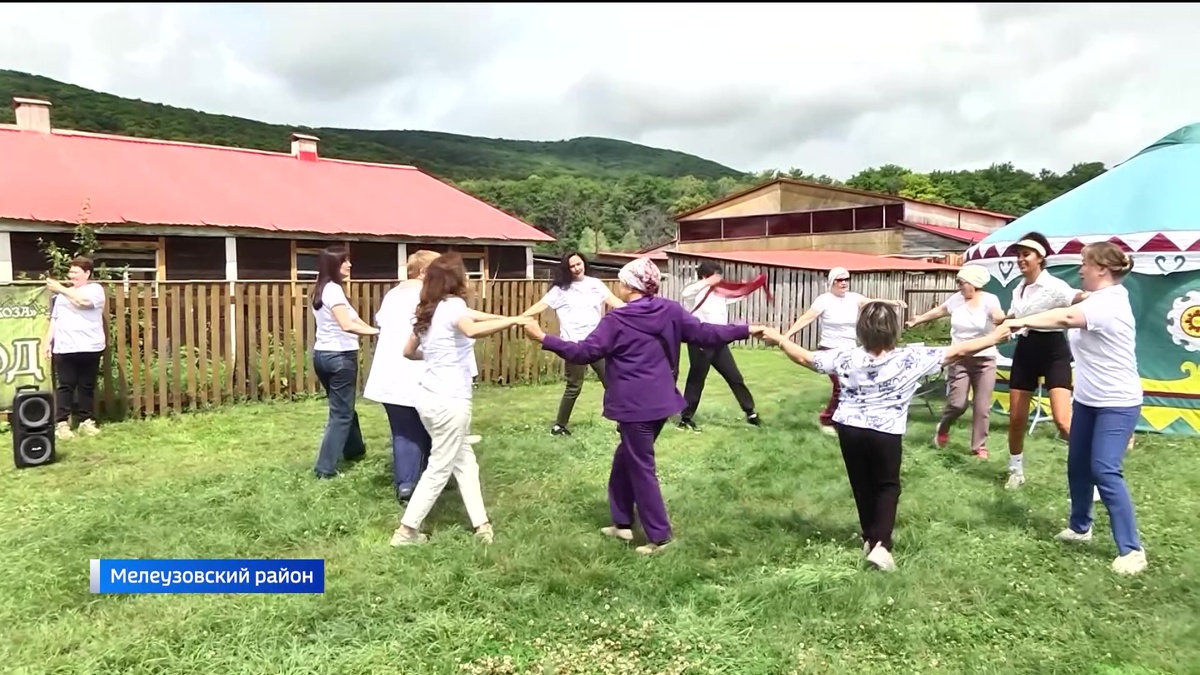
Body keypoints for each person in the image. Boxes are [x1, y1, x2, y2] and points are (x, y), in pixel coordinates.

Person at [523, 257, 767, 554]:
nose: (620, 286)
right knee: (624, 461)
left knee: (641, 468)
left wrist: (543, 338)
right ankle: (622, 523)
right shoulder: (670, 311)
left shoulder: (617, 320)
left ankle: (660, 537)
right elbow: (706, 332)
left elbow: (584, 352)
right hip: (662, 402)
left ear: (630, 285)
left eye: (623, 281)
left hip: (634, 407)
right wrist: (747, 329)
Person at [761, 303, 1011, 571]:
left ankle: (870, 537)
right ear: (892, 330)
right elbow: (960, 350)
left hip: (849, 428)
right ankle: (882, 545)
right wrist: (994, 337)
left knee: (862, 484)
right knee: (887, 486)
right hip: (885, 431)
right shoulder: (911, 358)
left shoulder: (845, 357)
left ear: (861, 330)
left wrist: (779, 339)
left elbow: (806, 358)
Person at [1003, 242, 1147, 575]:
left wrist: (1017, 321)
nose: (1079, 269)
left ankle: (1132, 550)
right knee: (1078, 465)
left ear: (1102, 269)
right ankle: (1080, 527)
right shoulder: (1096, 299)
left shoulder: (1110, 303)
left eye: (1084, 263)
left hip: (1117, 402)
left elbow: (1066, 316)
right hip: (1088, 399)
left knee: (1105, 470)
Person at [390, 254, 532, 546]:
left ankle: (482, 526)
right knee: (440, 467)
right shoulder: (453, 307)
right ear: (455, 279)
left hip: (428, 399)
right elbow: (472, 328)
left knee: (465, 462)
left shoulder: (430, 309)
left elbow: (408, 351)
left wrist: (511, 318)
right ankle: (406, 532)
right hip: (450, 402)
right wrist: (514, 322)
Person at [364, 250, 504, 502]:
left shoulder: (392, 296)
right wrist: (510, 319)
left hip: (391, 373)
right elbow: (465, 322)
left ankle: (407, 484)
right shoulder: (435, 298)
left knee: (404, 431)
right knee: (437, 431)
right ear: (423, 272)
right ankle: (435, 480)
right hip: (427, 375)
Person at [1001, 231, 1087, 490]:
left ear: (1041, 258)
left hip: (1053, 351)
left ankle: (1091, 474)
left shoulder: (1055, 286)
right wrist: (1001, 320)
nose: (1020, 259)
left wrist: (1102, 295)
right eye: (1018, 255)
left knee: (1063, 420)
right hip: (1026, 350)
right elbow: (1015, 316)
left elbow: (1078, 298)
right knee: (1016, 418)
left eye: (1026, 254)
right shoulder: (1019, 288)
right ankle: (1015, 470)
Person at [784, 267, 906, 435]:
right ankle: (827, 420)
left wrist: (891, 303)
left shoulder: (854, 298)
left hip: (850, 351)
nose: (844, 283)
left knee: (854, 385)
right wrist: (787, 336)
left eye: (846, 279)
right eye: (839, 280)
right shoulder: (824, 300)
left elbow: (871, 302)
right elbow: (807, 317)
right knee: (840, 386)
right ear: (832, 282)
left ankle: (846, 418)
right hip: (830, 349)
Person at [905, 264, 1005, 458]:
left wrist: (1001, 317)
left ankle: (979, 446)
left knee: (982, 406)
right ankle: (943, 427)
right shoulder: (956, 300)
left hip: (985, 359)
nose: (958, 286)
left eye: (961, 282)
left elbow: (996, 314)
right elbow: (940, 311)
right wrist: (918, 320)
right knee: (958, 404)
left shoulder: (989, 300)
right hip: (959, 358)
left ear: (974, 284)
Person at [522, 252, 625, 435]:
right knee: (574, 386)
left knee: (612, 382)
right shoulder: (560, 290)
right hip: (573, 345)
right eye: (572, 266)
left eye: (579, 264)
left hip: (596, 342)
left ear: (584, 264)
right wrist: (520, 318)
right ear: (567, 269)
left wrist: (639, 311)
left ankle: (623, 421)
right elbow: (540, 306)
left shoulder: (595, 285)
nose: (577, 268)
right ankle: (559, 426)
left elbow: (615, 302)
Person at [310, 246, 379, 479]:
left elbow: (355, 318)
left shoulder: (321, 289)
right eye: (344, 262)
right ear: (333, 266)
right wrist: (378, 333)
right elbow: (347, 325)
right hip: (340, 358)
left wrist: (373, 328)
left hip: (322, 356)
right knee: (340, 415)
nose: (349, 265)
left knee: (343, 407)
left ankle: (355, 450)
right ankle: (324, 469)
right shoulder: (334, 292)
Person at [677, 260, 761, 431]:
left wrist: (756, 284)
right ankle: (685, 419)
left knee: (734, 377)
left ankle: (750, 412)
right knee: (696, 380)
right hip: (700, 341)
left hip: (719, 341)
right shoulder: (695, 292)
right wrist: (708, 282)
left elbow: (739, 294)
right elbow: (686, 293)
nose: (719, 278)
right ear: (705, 276)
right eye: (716, 275)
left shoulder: (720, 293)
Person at [43, 256, 107, 439]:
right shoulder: (62, 295)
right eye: (70, 272)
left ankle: (87, 422)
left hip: (90, 346)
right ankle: (62, 423)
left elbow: (83, 303)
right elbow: (55, 319)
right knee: (65, 386)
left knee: (87, 386)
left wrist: (60, 289)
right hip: (65, 347)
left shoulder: (95, 290)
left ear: (87, 273)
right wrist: (48, 342)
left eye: (76, 272)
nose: (71, 276)